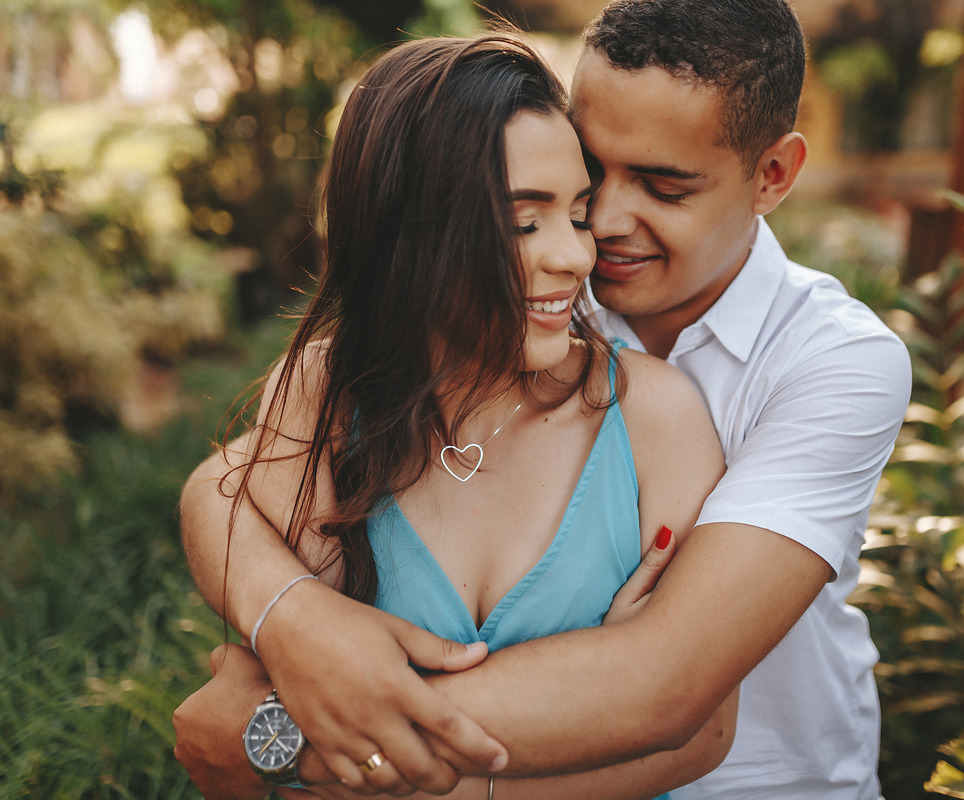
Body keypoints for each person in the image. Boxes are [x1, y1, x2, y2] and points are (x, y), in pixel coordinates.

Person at [175, 1, 912, 798]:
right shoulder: (511, 313)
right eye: (593, 180)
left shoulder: (836, 360)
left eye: (664, 186)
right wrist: (294, 619)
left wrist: (291, 739)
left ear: (772, 175)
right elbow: (224, 493)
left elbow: (666, 685)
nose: (605, 231)